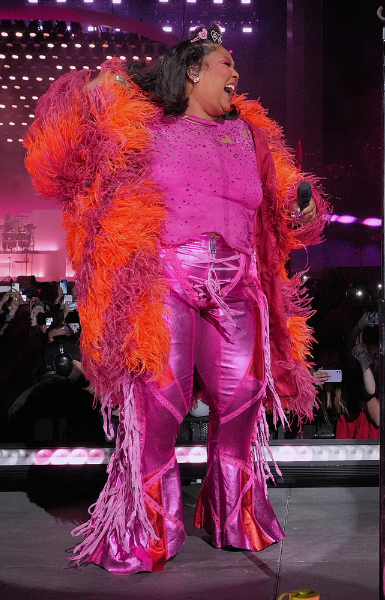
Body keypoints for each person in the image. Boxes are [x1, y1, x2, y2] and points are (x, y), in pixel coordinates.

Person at [24, 24, 328, 574]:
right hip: (165, 280)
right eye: (225, 64)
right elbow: (70, 161)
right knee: (160, 405)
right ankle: (146, 532)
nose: (236, 74)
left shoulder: (251, 133)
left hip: (239, 282)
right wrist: (97, 94)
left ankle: (235, 519)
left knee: (242, 400)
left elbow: (283, 201)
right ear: (193, 71)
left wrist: (299, 206)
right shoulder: (146, 122)